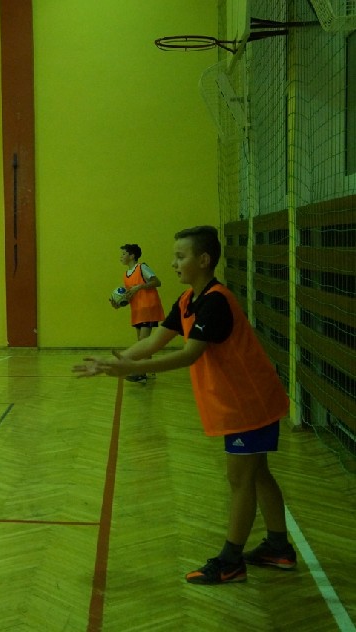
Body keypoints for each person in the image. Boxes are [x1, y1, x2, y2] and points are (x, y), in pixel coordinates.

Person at [75, 226, 295, 585]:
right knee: (257, 473)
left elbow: (190, 355)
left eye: (181, 256)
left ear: (203, 260)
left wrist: (130, 369)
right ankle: (278, 547)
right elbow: (153, 343)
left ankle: (230, 562)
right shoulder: (188, 300)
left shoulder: (215, 301)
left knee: (241, 479)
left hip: (250, 402)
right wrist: (112, 361)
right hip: (242, 402)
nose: (174, 263)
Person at [113, 243, 164, 383]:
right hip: (137, 310)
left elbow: (157, 282)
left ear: (132, 256)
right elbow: (130, 296)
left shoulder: (142, 267)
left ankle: (141, 373)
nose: (121, 257)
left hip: (148, 307)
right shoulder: (126, 275)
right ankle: (151, 370)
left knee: (143, 341)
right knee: (142, 342)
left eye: (124, 254)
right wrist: (118, 303)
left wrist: (140, 286)